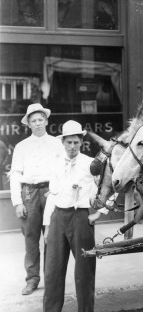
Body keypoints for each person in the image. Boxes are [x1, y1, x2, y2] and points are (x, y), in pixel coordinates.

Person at [9, 103, 65, 296]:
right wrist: (17, 202)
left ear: (46, 121)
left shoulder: (58, 143)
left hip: (51, 191)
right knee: (31, 238)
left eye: (41, 119)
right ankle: (32, 279)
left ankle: (51, 279)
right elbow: (15, 174)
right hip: (29, 193)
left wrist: (59, 193)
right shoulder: (21, 146)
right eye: (34, 120)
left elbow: (64, 170)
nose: (38, 123)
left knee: (52, 237)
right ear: (29, 124)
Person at [43, 120, 97, 311]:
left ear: (81, 142)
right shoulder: (56, 164)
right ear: (63, 142)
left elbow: (110, 189)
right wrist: (47, 226)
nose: (72, 146)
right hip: (57, 218)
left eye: (75, 142)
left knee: (84, 272)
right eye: (68, 142)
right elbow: (52, 195)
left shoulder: (91, 163)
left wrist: (100, 213)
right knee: (52, 271)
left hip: (80, 218)